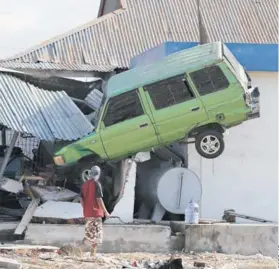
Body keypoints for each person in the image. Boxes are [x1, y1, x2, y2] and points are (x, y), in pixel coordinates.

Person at [80, 165, 110, 257]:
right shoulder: (97, 184)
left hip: (87, 213)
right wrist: (106, 212)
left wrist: (85, 208)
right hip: (96, 213)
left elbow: (81, 199)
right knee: (96, 234)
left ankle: (80, 250)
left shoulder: (84, 184)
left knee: (89, 233)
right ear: (98, 174)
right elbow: (99, 199)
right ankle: (91, 253)